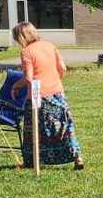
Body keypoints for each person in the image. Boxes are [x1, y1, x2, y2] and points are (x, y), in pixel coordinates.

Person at [10, 22, 84, 170]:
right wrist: (54, 82)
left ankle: (31, 160)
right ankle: (77, 157)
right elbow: (62, 68)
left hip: (39, 97)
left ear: (21, 36)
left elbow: (29, 77)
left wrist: (15, 86)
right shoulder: (50, 45)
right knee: (64, 125)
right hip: (58, 93)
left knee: (34, 130)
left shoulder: (26, 52)